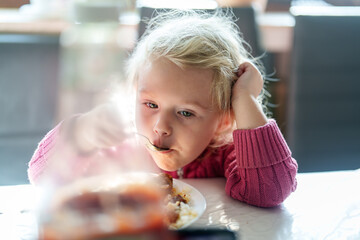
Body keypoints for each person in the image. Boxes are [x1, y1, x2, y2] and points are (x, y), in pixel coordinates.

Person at [28, 9, 297, 208]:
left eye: (186, 113)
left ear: (224, 121)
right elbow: (45, 181)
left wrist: (244, 100)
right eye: (150, 104)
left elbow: (270, 191)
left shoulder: (227, 152)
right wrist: (81, 136)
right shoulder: (123, 149)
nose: (160, 127)